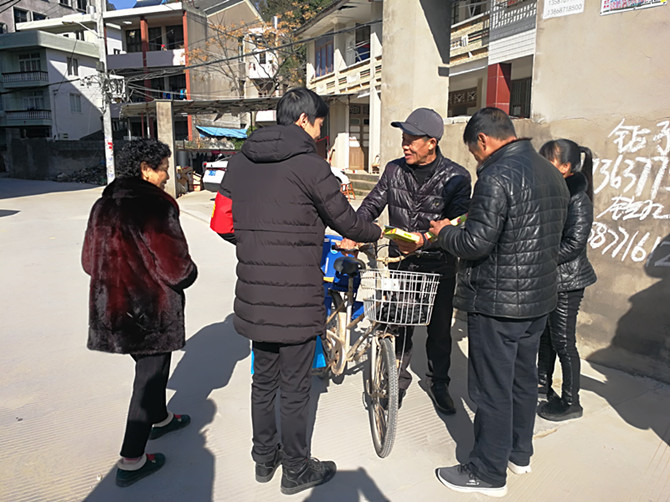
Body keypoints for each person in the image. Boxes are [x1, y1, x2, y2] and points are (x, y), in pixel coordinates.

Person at [210, 87, 382, 496]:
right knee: (295, 387)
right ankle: (296, 469)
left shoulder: (240, 162)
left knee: (263, 380)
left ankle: (263, 459)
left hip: (255, 296)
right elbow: (348, 223)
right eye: (320, 123)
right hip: (297, 297)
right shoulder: (311, 165)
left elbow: (221, 222)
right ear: (304, 119)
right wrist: (378, 232)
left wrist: (255, 244)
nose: (321, 132)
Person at [428, 108, 569, 497]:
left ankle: (487, 472)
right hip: (538, 301)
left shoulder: (495, 176)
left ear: (483, 140)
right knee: (523, 381)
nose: (476, 158)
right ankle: (519, 454)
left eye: (474, 151)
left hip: (498, 303)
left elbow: (475, 243)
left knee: (491, 390)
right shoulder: (550, 172)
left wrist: (444, 232)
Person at [82, 139, 197, 487]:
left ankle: (160, 418)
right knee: (149, 378)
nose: (167, 176)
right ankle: (132, 459)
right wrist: (190, 273)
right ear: (146, 169)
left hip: (112, 308)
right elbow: (177, 269)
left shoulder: (103, 204)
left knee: (151, 370)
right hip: (150, 310)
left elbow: (88, 261)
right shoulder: (155, 206)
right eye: (163, 169)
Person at [341, 107, 471, 413]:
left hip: (439, 265)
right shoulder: (393, 170)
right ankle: (395, 380)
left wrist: (426, 240)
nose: (405, 145)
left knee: (439, 332)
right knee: (398, 325)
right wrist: (354, 233)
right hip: (400, 262)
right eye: (404, 138)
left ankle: (439, 383)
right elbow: (371, 205)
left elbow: (458, 222)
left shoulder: (456, 177)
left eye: (412, 140)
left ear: (432, 142)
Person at [536, 139, 597, 421]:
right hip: (550, 278)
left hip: (568, 281)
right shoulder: (551, 193)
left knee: (563, 341)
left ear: (565, 167)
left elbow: (574, 244)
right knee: (545, 337)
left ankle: (572, 401)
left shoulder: (578, 200)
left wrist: (541, 259)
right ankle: (541, 384)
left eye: (547, 161)